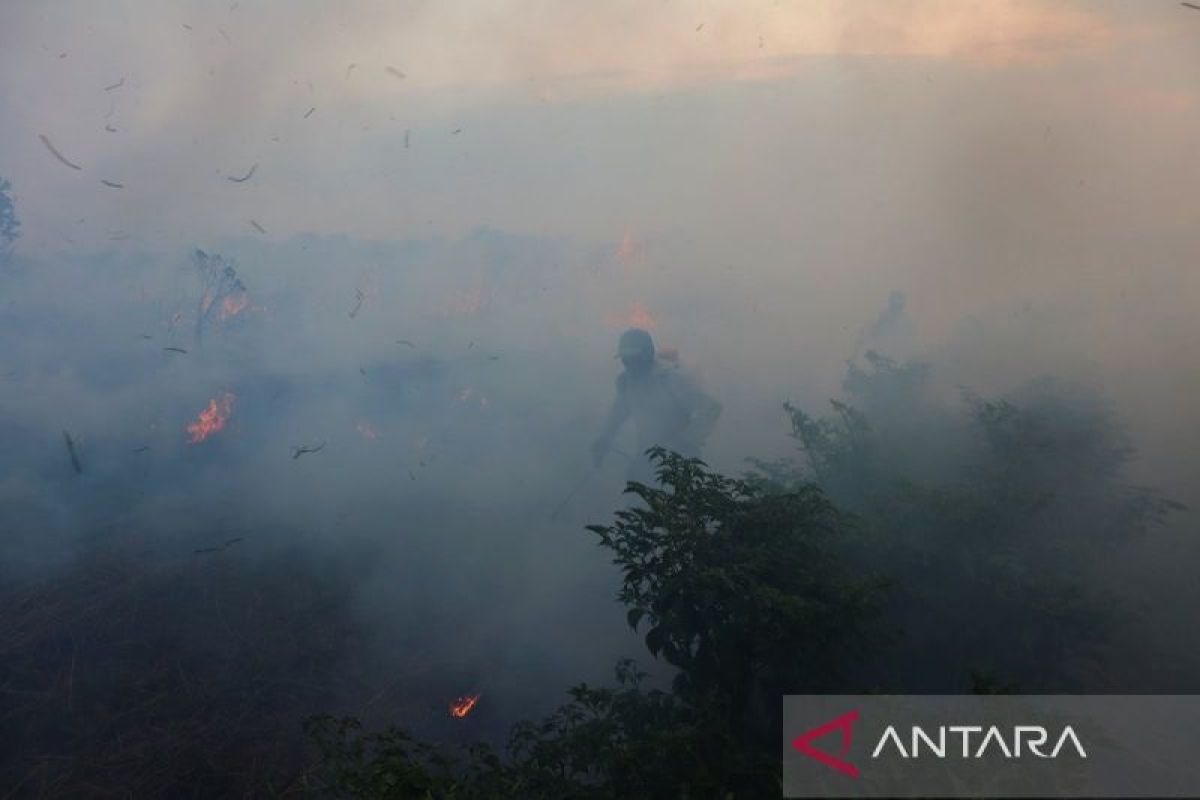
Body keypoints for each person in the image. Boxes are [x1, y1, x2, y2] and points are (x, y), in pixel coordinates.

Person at [591, 328, 722, 483]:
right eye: (625, 359)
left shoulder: (671, 379)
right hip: (647, 456)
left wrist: (689, 438)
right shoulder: (626, 382)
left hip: (681, 460)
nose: (629, 364)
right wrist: (603, 439)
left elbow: (711, 408)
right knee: (636, 495)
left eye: (633, 358)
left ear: (646, 356)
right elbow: (617, 414)